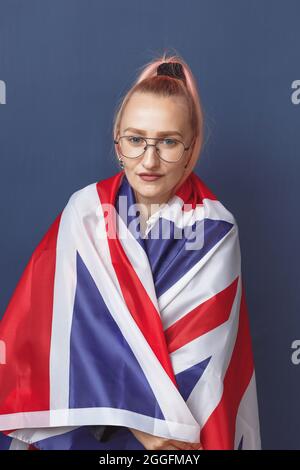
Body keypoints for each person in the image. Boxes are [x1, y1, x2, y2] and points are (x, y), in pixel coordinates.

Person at [0, 53, 261, 451]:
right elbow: (57, 337)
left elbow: (199, 359)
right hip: (83, 431)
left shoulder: (215, 228)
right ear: (117, 143)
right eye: (136, 140)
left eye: (169, 142)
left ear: (191, 149)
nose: (149, 160)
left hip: (174, 439)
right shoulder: (85, 212)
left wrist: (152, 424)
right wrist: (142, 423)